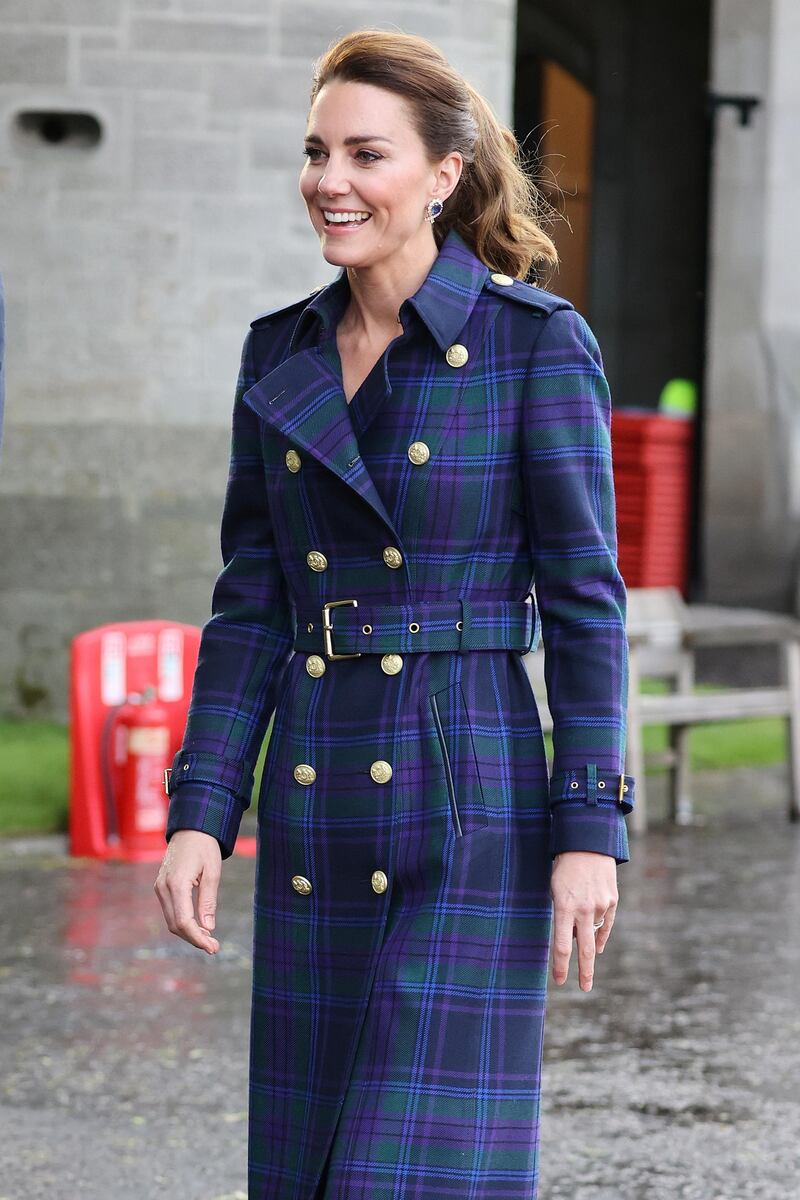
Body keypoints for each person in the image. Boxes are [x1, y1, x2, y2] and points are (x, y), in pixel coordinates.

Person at [154, 27, 636, 1200]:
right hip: (321, 802)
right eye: (316, 152)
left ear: (442, 174)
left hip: (468, 797)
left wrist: (587, 830)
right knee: (314, 1166)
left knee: (408, 1173)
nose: (330, 180)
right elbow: (250, 606)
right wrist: (201, 809)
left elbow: (584, 606)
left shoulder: (533, 346)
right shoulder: (281, 355)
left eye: (365, 154)